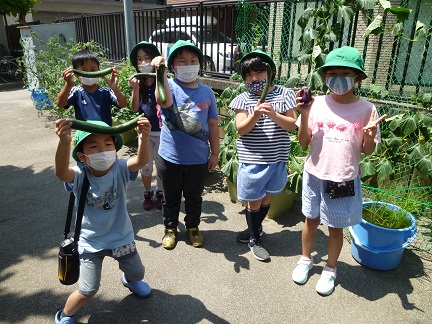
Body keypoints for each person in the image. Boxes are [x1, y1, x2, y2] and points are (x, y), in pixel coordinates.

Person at [292, 46, 387, 295]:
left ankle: (330, 268)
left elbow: (368, 151)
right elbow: (304, 142)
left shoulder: (367, 109)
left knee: (336, 228)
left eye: (345, 72)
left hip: (343, 177)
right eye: (332, 72)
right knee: (310, 220)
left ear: (357, 78)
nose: (337, 77)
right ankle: (305, 259)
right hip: (314, 174)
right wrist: (303, 115)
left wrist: (369, 136)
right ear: (324, 77)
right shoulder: (317, 104)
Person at [54, 117, 152, 324]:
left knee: (137, 273)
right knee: (88, 289)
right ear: (82, 156)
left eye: (108, 144)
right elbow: (62, 172)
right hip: (91, 243)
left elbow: (141, 162)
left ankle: (130, 280)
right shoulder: (80, 174)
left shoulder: (121, 169)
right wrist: (64, 142)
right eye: (94, 146)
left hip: (121, 238)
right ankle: (65, 314)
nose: (103, 150)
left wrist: (143, 138)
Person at [229, 50, 297, 262]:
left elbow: (292, 125)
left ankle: (253, 230)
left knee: (266, 196)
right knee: (254, 200)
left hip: (276, 158)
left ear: (271, 73)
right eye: (248, 75)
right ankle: (255, 239)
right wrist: (256, 114)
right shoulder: (242, 99)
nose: (254, 79)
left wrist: (273, 115)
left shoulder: (285, 94)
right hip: (253, 160)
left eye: (259, 73)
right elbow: (241, 129)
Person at [151, 40, 219, 250]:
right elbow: (163, 102)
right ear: (173, 67)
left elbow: (213, 124)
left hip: (198, 159)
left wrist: (215, 152)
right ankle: (170, 228)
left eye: (193, 61)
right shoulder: (169, 85)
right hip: (169, 158)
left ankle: (193, 227)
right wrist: (159, 72)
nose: (189, 65)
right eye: (182, 61)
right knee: (170, 198)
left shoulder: (207, 91)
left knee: (194, 198)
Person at [129, 41, 164, 211]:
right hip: (144, 132)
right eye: (139, 60)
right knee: (146, 164)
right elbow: (135, 108)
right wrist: (135, 89)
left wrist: (160, 71)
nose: (143, 63)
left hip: (163, 131)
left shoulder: (162, 79)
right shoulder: (138, 82)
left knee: (161, 164)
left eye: (147, 58)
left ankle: (160, 193)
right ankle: (147, 192)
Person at [56, 49, 128, 126]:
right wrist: (68, 84)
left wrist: (114, 88)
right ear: (76, 74)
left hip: (104, 135)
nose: (89, 73)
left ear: (99, 71)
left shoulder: (106, 91)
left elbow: (123, 104)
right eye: (84, 70)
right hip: (84, 135)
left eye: (93, 70)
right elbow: (60, 104)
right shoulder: (76, 91)